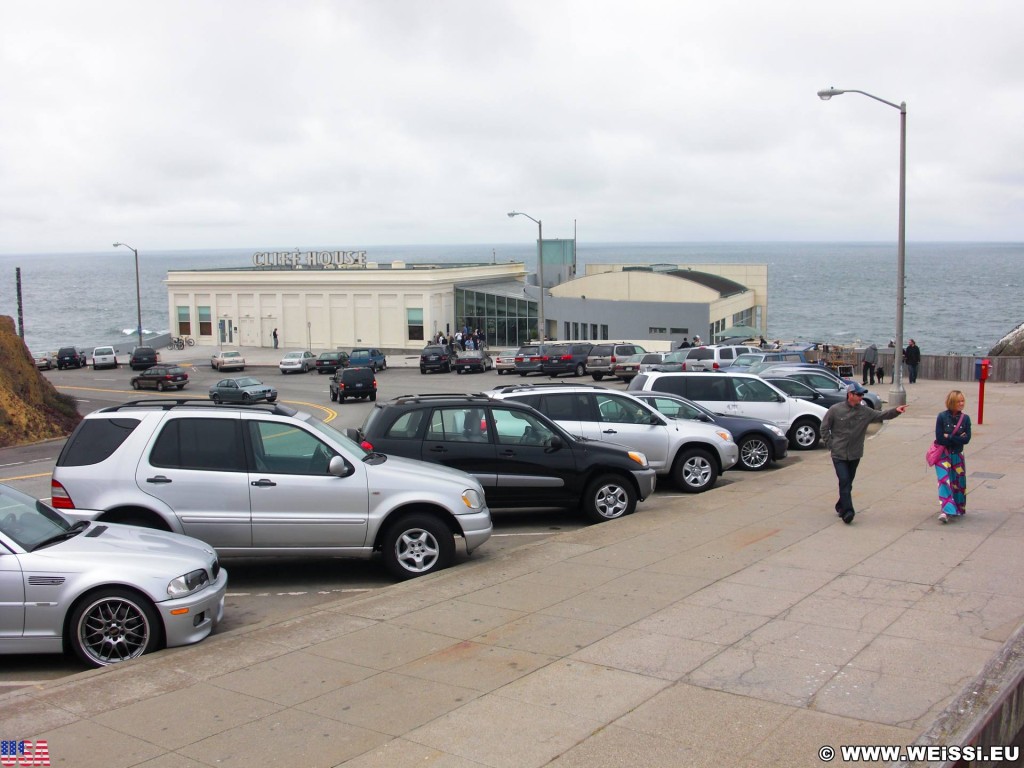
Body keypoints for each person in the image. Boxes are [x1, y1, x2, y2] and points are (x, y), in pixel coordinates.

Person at [820, 382, 908, 524]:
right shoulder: (835, 410)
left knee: (848, 482)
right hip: (839, 454)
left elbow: (882, 415)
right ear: (850, 395)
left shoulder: (865, 412)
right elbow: (824, 428)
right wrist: (831, 445)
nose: (862, 397)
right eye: (859, 394)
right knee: (844, 480)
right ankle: (848, 512)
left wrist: (896, 410)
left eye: (862, 394)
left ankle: (840, 504)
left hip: (855, 454)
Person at [934, 390, 971, 524]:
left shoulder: (965, 419)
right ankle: (946, 510)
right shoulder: (942, 417)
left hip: (957, 455)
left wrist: (948, 436)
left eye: (963, 401)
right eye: (958, 401)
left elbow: (966, 439)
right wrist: (956, 438)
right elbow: (939, 438)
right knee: (944, 481)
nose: (961, 404)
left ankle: (957, 507)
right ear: (951, 402)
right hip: (943, 455)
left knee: (957, 483)